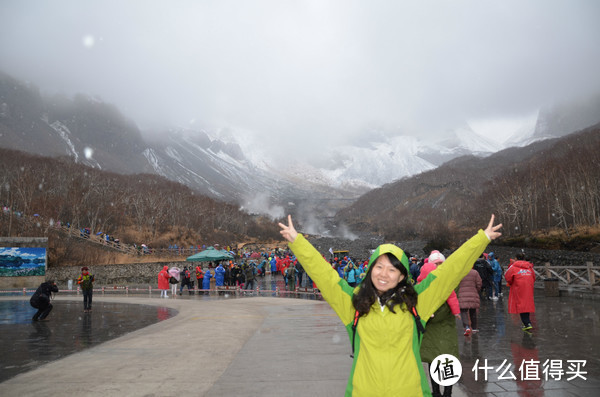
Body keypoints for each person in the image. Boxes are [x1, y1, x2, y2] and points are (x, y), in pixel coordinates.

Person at [279, 214, 502, 396]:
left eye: (392, 269)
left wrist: (481, 239)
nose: (384, 274)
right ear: (370, 270)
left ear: (402, 276)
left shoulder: (418, 303)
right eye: (379, 267)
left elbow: (450, 271)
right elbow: (325, 275)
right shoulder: (353, 304)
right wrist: (297, 242)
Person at [418, 251, 461, 397]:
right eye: (436, 264)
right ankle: (436, 392)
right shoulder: (426, 283)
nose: (438, 267)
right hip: (433, 333)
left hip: (444, 331)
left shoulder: (450, 283)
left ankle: (447, 393)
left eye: (441, 264)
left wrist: (427, 313)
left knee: (446, 364)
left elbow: (441, 313)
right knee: (434, 363)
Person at [505, 252, 535, 331]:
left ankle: (527, 323)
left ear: (516, 258)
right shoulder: (529, 267)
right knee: (526, 304)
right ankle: (527, 322)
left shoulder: (513, 267)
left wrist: (511, 283)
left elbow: (507, 276)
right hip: (528, 287)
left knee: (521, 304)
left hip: (518, 287)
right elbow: (533, 277)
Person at [457, 261, 483, 336]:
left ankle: (467, 327)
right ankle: (474, 328)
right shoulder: (475, 273)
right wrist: (476, 290)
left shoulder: (459, 273)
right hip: (473, 294)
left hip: (462, 294)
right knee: (473, 311)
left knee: (463, 312)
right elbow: (479, 283)